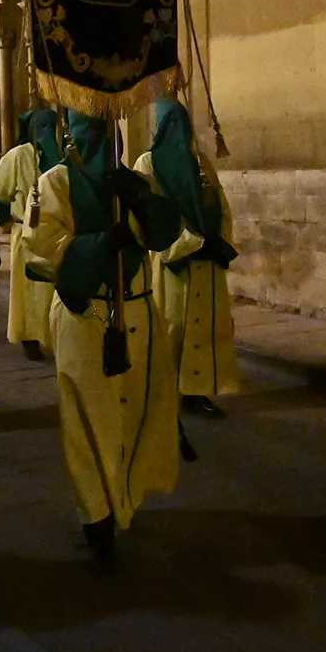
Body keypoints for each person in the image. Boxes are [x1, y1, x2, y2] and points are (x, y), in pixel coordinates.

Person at [27, 112, 181, 563]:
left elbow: (165, 230)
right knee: (87, 418)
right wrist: (101, 245)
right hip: (86, 311)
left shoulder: (132, 179)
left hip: (137, 308)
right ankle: (95, 515)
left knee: (134, 413)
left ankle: (126, 495)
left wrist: (142, 201)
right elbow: (41, 249)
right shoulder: (55, 182)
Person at [134, 94, 240, 421]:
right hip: (173, 261)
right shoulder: (148, 164)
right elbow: (152, 214)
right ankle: (165, 391)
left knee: (204, 329)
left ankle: (197, 391)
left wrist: (220, 241)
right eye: (173, 124)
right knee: (173, 326)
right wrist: (187, 242)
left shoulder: (199, 161)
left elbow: (220, 204)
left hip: (207, 259)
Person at [0, 108, 63, 362]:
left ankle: (54, 335)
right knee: (28, 290)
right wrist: (8, 222)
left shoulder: (61, 156)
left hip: (56, 234)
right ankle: (30, 338)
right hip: (28, 230)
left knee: (52, 288)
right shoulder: (18, 156)